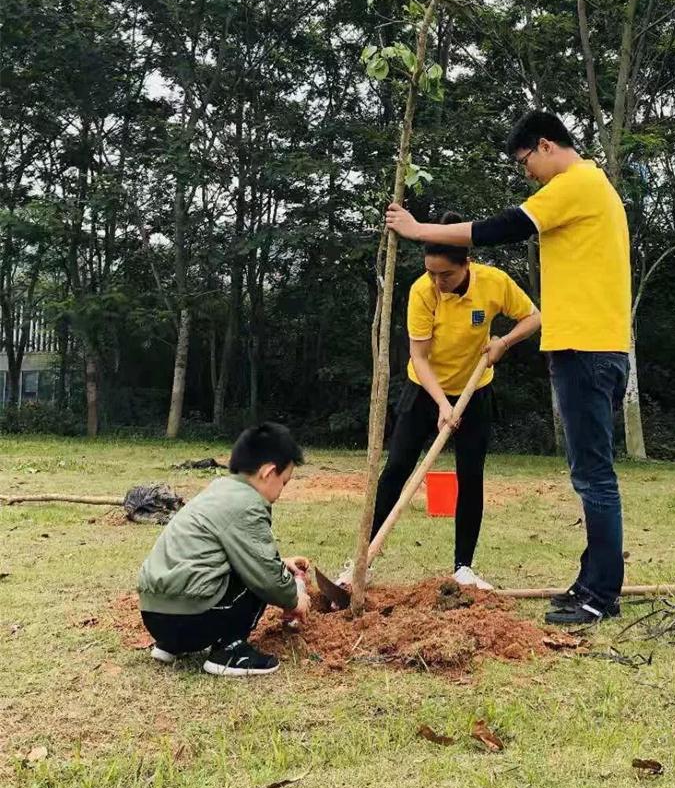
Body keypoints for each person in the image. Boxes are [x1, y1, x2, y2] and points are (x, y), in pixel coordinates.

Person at [386, 111, 631, 625]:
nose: (528, 174)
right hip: (585, 346)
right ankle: (591, 582)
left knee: (592, 474)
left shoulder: (577, 182)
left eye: (525, 163)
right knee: (587, 471)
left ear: (545, 145)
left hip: (587, 349)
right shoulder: (589, 189)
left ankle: (600, 594)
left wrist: (416, 229)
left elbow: (501, 227)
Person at [341, 213, 541, 590]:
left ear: (466, 263)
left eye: (444, 275)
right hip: (424, 390)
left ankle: (463, 567)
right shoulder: (422, 292)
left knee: (471, 474)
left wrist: (502, 342)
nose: (437, 282)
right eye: (431, 273)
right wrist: (443, 405)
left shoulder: (494, 283)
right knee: (397, 468)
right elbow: (419, 357)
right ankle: (360, 563)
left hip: (474, 389)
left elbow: (534, 317)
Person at [137, 422, 311, 677]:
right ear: (269, 472)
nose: (281, 493)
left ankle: (170, 646)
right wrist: (296, 598)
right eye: (284, 482)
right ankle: (229, 651)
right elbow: (265, 575)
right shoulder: (249, 504)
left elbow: (214, 551)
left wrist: (280, 560)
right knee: (258, 579)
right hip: (191, 618)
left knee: (254, 569)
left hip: (155, 615)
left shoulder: (219, 491)